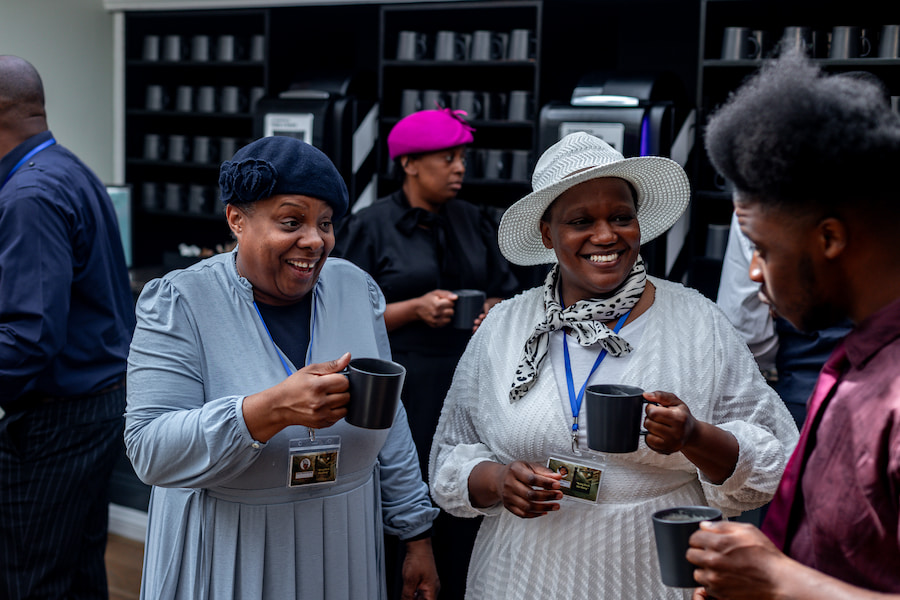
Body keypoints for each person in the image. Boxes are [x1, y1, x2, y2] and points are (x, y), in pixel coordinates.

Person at [429, 131, 799, 599]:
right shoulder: (505, 326)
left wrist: (694, 437)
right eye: (581, 220)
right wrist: (498, 481)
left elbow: (775, 460)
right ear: (548, 234)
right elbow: (450, 458)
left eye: (621, 217)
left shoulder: (696, 320)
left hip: (652, 572)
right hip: (522, 575)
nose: (606, 236)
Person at [125, 136, 439, 599]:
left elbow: (391, 422)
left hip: (343, 541)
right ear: (236, 218)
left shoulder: (356, 289)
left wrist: (416, 534)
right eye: (291, 221)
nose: (314, 240)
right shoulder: (182, 302)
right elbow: (150, 449)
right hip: (229, 547)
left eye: (326, 223)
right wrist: (266, 411)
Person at [687, 50, 900, 599]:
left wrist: (778, 580)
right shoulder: (855, 360)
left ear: (829, 238)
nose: (753, 272)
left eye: (761, 248)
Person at [332, 107, 518, 599]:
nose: (460, 167)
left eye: (463, 157)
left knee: (463, 491)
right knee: (403, 487)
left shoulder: (474, 220)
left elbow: (509, 295)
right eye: (448, 157)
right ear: (410, 163)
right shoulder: (369, 227)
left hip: (474, 380)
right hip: (403, 387)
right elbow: (342, 320)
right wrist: (414, 308)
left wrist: (488, 312)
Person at [0, 55, 136, 599]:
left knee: (28, 580)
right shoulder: (67, 168)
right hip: (98, 407)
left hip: (57, 424)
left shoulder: (27, 197)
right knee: (78, 573)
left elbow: (28, 337)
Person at [717, 212, 851, 428]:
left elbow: (747, 334)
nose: (756, 272)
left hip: (801, 394)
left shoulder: (760, 196)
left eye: (762, 251)